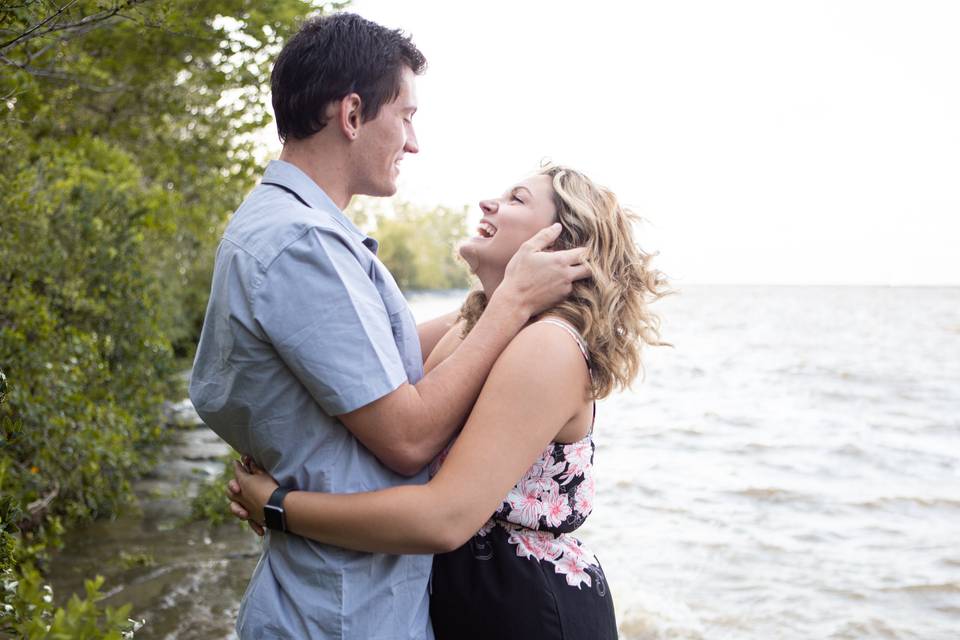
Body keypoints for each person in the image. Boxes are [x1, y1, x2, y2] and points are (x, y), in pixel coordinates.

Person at [188, 13, 590, 640]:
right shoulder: (302, 243)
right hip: (344, 608)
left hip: (354, 595)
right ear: (352, 115)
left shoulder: (299, 233)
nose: (413, 140)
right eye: (405, 116)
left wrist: (507, 295)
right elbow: (407, 438)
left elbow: (418, 342)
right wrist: (510, 299)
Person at [228, 164, 670, 640]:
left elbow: (445, 516)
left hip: (525, 611)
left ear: (558, 248)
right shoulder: (479, 320)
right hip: (466, 599)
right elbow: (357, 387)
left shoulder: (551, 345)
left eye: (517, 199)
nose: (488, 203)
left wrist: (280, 507)